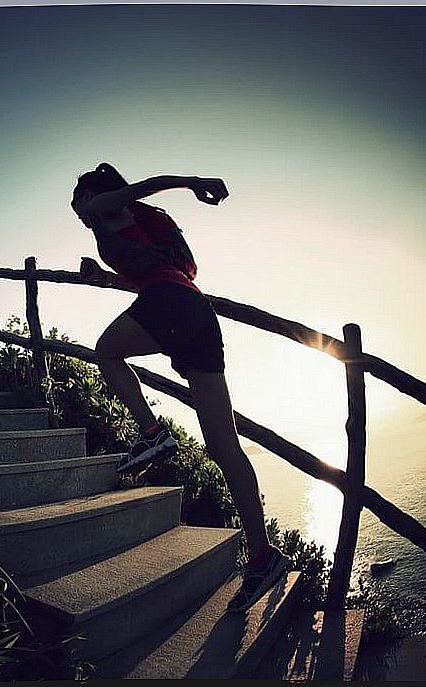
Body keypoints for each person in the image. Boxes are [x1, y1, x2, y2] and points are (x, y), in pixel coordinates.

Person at [70, 162, 288, 613]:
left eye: (79, 199)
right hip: (194, 313)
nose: (77, 209)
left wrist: (193, 182)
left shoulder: (106, 209)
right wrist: (102, 278)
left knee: (106, 351)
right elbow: (155, 276)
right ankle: (263, 556)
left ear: (96, 194)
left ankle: (152, 433)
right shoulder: (149, 226)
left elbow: (147, 187)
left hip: (169, 306)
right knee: (225, 448)